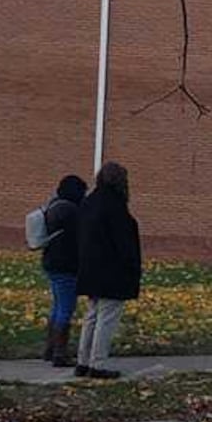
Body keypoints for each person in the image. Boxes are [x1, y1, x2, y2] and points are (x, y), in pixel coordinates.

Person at [75, 162, 141, 379]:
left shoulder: (89, 202)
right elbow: (124, 243)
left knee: (92, 315)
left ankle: (82, 360)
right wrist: (132, 267)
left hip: (90, 268)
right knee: (106, 318)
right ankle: (98, 362)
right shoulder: (115, 206)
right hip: (112, 271)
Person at [39, 174, 87, 368]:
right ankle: (60, 352)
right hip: (66, 265)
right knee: (66, 308)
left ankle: (50, 348)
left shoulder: (54, 207)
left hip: (52, 262)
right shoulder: (71, 212)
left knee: (58, 306)